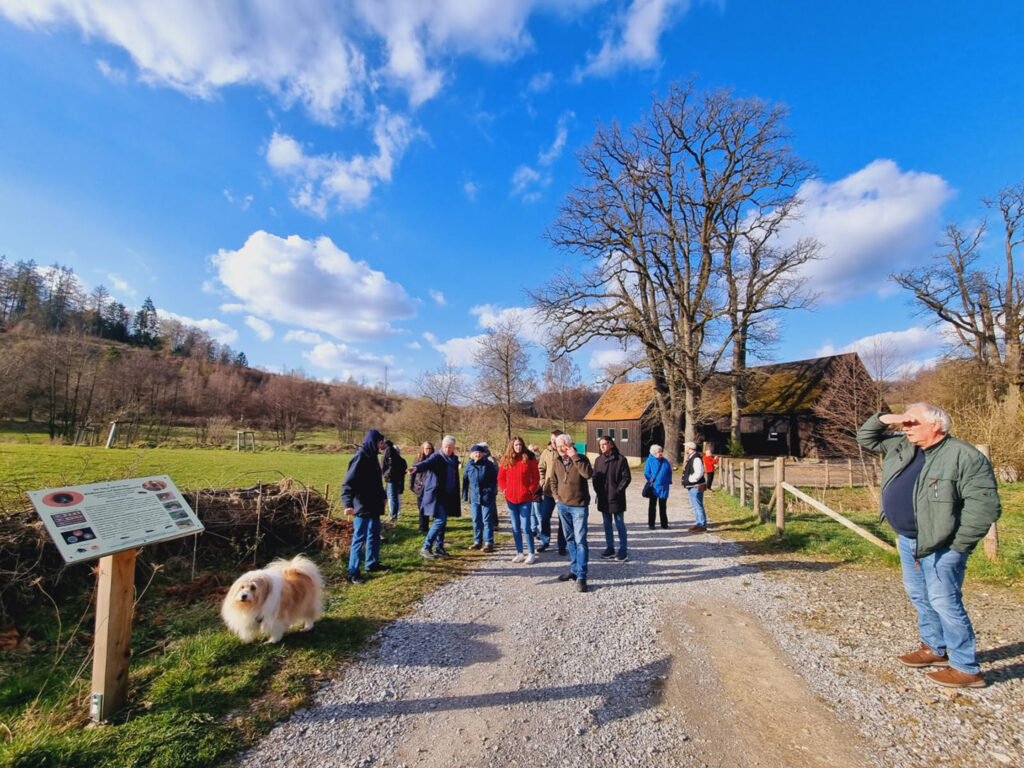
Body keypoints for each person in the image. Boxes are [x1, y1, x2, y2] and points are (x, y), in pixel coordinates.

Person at [857, 403, 1001, 689]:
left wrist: (959, 545)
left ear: (936, 425)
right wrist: (891, 418)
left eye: (914, 423)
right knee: (919, 595)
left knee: (944, 601)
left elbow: (984, 507)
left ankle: (965, 667)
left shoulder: (963, 456)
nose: (907, 428)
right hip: (907, 538)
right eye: (905, 424)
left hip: (942, 544)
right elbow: (866, 438)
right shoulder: (901, 446)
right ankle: (934, 649)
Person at [340, 429, 390, 584]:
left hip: (374, 504)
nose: (382, 445)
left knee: (374, 534)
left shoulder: (373, 457)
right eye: (380, 442)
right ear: (373, 442)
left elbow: (377, 482)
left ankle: (372, 563)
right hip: (362, 505)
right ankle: (353, 572)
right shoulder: (360, 458)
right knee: (359, 539)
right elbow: (348, 483)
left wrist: (383, 496)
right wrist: (348, 504)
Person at [549, 433, 593, 592]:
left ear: (570, 445)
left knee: (581, 540)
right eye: (558, 446)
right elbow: (553, 480)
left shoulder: (581, 459)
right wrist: (556, 497)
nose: (561, 449)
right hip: (563, 506)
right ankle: (574, 570)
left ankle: (582, 576)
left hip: (579, 506)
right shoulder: (557, 461)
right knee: (570, 539)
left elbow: (587, 474)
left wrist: (575, 457)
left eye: (563, 446)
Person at [409, 435, 461, 559]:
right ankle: (426, 547)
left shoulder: (454, 460)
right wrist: (416, 467)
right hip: (435, 494)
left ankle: (439, 547)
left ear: (454, 448)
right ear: (442, 447)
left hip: (447, 495)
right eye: (446, 447)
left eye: (450, 447)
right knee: (440, 521)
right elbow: (427, 463)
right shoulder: (437, 457)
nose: (448, 449)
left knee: (443, 522)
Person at [497, 436, 541, 564]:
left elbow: (536, 478)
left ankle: (531, 553)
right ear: (512, 446)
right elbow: (500, 478)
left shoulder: (529, 458)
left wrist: (530, 490)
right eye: (516, 445)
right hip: (511, 499)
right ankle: (520, 552)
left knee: (526, 527)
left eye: (520, 445)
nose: (518, 447)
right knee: (515, 527)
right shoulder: (506, 460)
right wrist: (504, 489)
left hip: (525, 498)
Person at [593, 435, 630, 560]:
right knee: (607, 524)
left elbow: (626, 477)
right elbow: (595, 477)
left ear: (610, 444)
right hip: (603, 498)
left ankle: (623, 549)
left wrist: (618, 491)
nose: (602, 447)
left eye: (604, 444)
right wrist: (598, 491)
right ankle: (610, 548)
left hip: (616, 498)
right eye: (600, 445)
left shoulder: (621, 459)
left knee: (620, 524)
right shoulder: (599, 460)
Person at [463, 443, 498, 552]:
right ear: (472, 454)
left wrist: (491, 492)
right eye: (475, 453)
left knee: (487, 520)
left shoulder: (488, 465)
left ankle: (489, 543)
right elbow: (465, 480)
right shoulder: (469, 465)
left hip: (487, 497)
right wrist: (464, 495)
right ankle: (477, 542)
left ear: (483, 454)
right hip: (474, 497)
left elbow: (495, 479)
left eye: (479, 453)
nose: (477, 455)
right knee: (476, 520)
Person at [537, 430, 567, 555]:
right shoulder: (546, 452)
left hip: (563, 493)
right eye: (552, 439)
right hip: (549, 492)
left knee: (562, 521)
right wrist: (543, 482)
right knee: (544, 518)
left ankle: (562, 545)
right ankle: (545, 541)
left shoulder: (566, 452)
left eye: (556, 439)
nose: (554, 442)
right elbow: (541, 468)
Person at [644, 444, 672, 529]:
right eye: (659, 452)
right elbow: (646, 473)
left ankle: (664, 524)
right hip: (654, 487)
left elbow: (669, 471)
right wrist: (650, 479)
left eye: (661, 451)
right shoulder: (649, 460)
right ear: (654, 453)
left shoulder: (665, 461)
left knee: (663, 506)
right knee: (652, 506)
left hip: (664, 487)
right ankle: (651, 524)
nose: (661, 453)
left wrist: (669, 480)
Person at [681, 441, 708, 532]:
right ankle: (698, 523)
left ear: (689, 448)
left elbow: (699, 472)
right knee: (694, 505)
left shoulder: (696, 458)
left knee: (697, 505)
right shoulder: (691, 457)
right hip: (693, 486)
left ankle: (702, 525)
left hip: (696, 486)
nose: (685, 449)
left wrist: (690, 480)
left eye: (686, 447)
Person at [381, 440, 408, 522]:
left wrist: (386, 474)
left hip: (393, 479)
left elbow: (383, 465)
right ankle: (393, 514)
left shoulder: (388, 451)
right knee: (393, 497)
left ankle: (393, 515)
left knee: (392, 497)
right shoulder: (399, 458)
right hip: (394, 478)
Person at [412, 440, 433, 533]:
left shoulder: (434, 460)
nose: (428, 450)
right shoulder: (417, 460)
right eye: (426, 448)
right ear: (423, 449)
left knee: (428, 508)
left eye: (429, 448)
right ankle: (422, 527)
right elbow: (412, 474)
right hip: (419, 487)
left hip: (430, 488)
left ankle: (428, 526)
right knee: (421, 509)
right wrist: (412, 486)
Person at [527, 443, 543, 545]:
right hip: (529, 491)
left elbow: (541, 478)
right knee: (531, 513)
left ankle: (542, 531)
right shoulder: (527, 462)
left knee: (538, 513)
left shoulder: (539, 463)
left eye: (534, 451)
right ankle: (533, 529)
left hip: (537, 491)